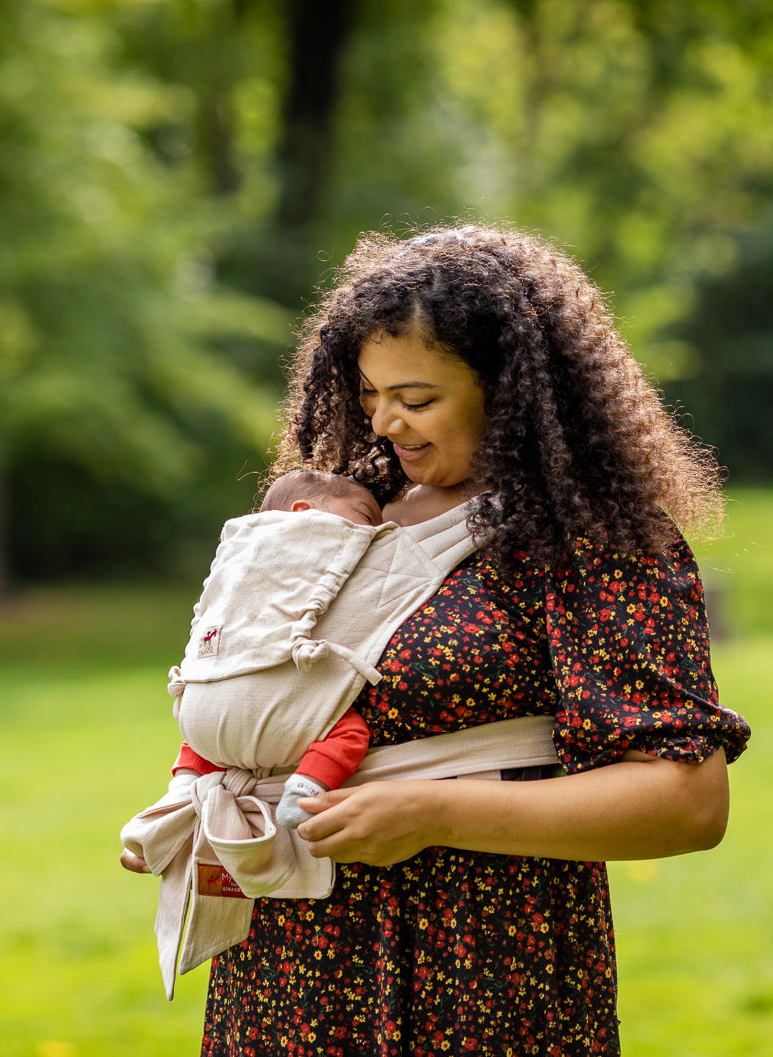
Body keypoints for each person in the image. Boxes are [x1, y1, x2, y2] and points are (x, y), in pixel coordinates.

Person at [121, 224, 750, 1055]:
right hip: (288, 969)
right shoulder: (348, 515)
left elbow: (686, 803)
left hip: (480, 965)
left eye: (416, 400)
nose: (384, 424)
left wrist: (436, 811)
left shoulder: (589, 541)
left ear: (514, 390)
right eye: (370, 395)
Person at [170, 469, 383, 830]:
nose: (376, 531)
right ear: (303, 513)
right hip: (273, 707)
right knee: (348, 730)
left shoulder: (236, 557)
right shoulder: (314, 549)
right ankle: (305, 789)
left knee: (213, 717)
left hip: (196, 712)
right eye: (365, 517)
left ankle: (184, 784)